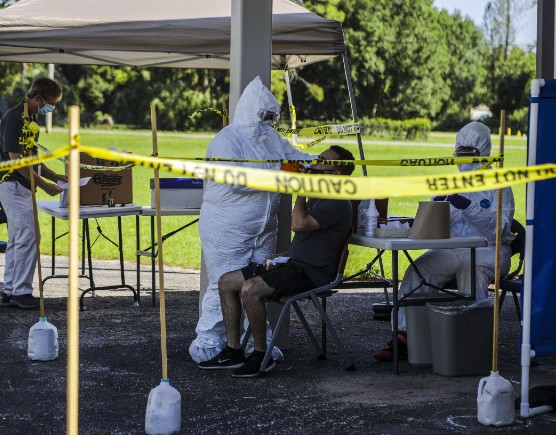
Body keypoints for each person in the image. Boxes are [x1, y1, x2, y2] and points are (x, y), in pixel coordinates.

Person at [189, 76, 318, 364]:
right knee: (223, 284)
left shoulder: (271, 138)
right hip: (226, 227)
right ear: (249, 111)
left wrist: (319, 162)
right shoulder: (227, 140)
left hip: (263, 227)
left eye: (272, 117)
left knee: (255, 285)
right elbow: (235, 181)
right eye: (264, 116)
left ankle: (258, 346)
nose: (268, 122)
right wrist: (281, 175)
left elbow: (293, 156)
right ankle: (211, 343)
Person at [198, 145, 355, 377]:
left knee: (251, 289)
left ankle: (262, 354)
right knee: (226, 282)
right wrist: (281, 255)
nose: (316, 163)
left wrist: (301, 189)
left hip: (312, 273)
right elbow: (307, 242)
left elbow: (298, 225)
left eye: (323, 161)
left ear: (337, 174)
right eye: (318, 158)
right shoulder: (320, 198)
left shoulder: (337, 201)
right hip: (293, 265)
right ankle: (234, 350)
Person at [374, 121, 515, 361]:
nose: (462, 159)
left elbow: (499, 230)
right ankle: (405, 335)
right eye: (459, 153)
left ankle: (475, 339)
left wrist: (468, 207)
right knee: (418, 271)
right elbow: (435, 227)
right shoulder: (451, 183)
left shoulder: (499, 185)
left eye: (468, 154)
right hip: (452, 247)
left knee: (469, 272)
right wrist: (436, 206)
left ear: (482, 153)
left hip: (489, 249)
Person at [0, 77, 67, 309]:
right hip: (12, 184)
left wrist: (56, 176)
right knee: (29, 237)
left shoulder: (31, 119)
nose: (51, 108)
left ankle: (9, 290)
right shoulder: (14, 119)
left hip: (24, 185)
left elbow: (33, 159)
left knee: (18, 239)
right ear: (38, 98)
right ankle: (22, 291)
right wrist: (45, 185)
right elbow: (16, 162)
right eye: (50, 102)